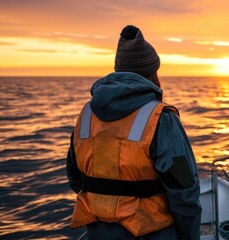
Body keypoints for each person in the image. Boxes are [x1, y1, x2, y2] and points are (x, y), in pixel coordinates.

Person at [65, 25, 201, 240]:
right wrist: (189, 236)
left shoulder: (86, 114)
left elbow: (74, 177)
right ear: (152, 73)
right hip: (153, 233)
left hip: (98, 233)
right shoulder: (160, 118)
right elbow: (184, 190)